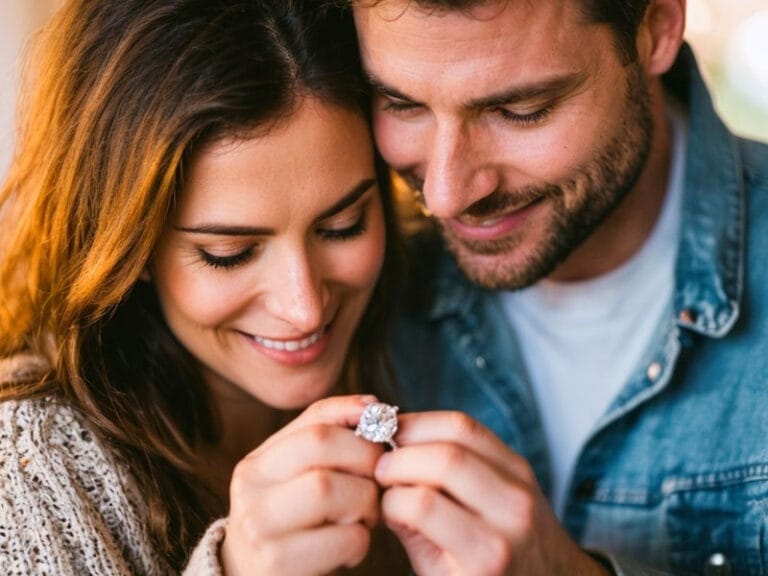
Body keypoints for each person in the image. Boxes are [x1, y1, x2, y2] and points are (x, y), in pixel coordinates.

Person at [350, 0, 768, 574]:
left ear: (655, 30)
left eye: (521, 110)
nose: (446, 195)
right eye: (402, 104)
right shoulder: (355, 281)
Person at [0, 0, 412, 573]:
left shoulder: (424, 332)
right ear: (130, 246)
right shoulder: (28, 466)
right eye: (229, 254)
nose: (305, 307)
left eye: (343, 226)